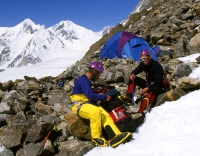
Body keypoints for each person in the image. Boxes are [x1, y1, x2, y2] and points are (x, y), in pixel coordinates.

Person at [70, 61, 132, 148]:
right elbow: (90, 96)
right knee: (96, 111)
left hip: (86, 104)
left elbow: (88, 94)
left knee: (105, 115)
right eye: (98, 73)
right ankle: (96, 137)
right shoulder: (83, 80)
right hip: (80, 106)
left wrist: (99, 95)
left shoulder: (85, 80)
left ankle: (116, 135)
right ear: (94, 71)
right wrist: (105, 97)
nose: (98, 76)